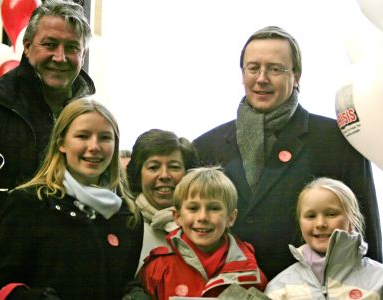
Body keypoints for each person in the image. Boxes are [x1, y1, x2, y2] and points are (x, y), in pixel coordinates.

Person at [192, 25, 382, 279]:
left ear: (297, 76)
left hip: (315, 289)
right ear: (242, 74)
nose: (261, 78)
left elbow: (364, 226)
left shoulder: (336, 140)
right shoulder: (206, 146)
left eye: (275, 69)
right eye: (253, 68)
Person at [0, 98, 143, 299]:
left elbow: (122, 280)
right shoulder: (29, 203)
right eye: (82, 136)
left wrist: (135, 292)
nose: (94, 146)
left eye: (105, 137)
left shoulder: (128, 215)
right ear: (61, 143)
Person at [0, 0, 95, 245]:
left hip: (63, 262)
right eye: (50, 44)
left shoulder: (92, 122)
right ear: (27, 46)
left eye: (72, 47)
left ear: (82, 55)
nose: (60, 57)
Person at [138, 167, 268, 299]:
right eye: (193, 208)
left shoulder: (251, 274)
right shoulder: (157, 269)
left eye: (214, 208)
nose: (202, 217)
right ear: (178, 217)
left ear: (231, 217)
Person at [265, 177, 383, 299]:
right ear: (300, 223)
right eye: (311, 216)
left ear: (352, 220)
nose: (320, 224)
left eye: (331, 214)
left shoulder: (379, 280)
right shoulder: (280, 287)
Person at [126, 128, 199, 272]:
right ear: (138, 174)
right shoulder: (125, 226)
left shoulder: (208, 226)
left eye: (174, 167)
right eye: (154, 167)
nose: (164, 175)